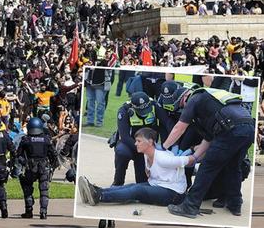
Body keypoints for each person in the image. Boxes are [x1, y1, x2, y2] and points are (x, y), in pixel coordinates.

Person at [163, 86, 254, 218]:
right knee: (233, 167)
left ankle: (190, 206)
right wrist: (194, 157)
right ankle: (235, 204)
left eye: (181, 105)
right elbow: (209, 139)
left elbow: (179, 128)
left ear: (184, 97)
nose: (183, 108)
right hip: (248, 128)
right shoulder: (211, 99)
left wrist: (164, 147)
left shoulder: (194, 99)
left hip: (231, 130)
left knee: (207, 168)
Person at [78, 127, 191, 207]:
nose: (135, 143)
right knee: (132, 186)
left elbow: (186, 160)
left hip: (174, 194)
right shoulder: (146, 156)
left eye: (138, 141)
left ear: (150, 142)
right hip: (159, 185)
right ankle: (97, 191)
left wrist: (196, 154)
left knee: (137, 190)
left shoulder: (163, 157)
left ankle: (100, 196)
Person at [15, 117, 57, 219]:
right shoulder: (46, 139)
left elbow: (18, 155)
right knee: (44, 190)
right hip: (44, 167)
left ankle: (29, 211)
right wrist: (52, 166)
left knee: (27, 188)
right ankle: (43, 212)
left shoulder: (26, 140)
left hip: (30, 168)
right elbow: (54, 155)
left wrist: (24, 163)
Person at [113, 91, 158, 187]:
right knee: (122, 153)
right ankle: (118, 183)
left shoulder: (154, 105)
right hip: (129, 144)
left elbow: (165, 124)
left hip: (146, 146)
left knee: (142, 184)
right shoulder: (124, 110)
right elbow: (124, 136)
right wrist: (142, 148)